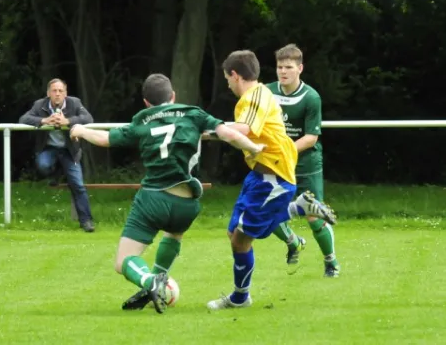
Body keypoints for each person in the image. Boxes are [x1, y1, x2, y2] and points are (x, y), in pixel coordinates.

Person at [69, 73, 268, 314]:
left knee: (123, 261)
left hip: (154, 198)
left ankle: (150, 281)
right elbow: (228, 133)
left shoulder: (142, 120)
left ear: (146, 102)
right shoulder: (193, 113)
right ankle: (158, 280)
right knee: (173, 234)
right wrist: (253, 147)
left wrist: (80, 129)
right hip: (188, 204)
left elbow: (105, 139)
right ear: (173, 96)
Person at [206, 50, 337, 311]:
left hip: (272, 176)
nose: (228, 84)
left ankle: (241, 298)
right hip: (259, 175)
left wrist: (208, 128)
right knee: (235, 234)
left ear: (235, 75)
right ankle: (298, 208)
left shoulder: (252, 97)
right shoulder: (263, 92)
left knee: (244, 238)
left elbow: (244, 130)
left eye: (227, 79)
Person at [266, 44, 340, 277]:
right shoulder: (266, 92)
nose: (283, 71)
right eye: (279, 67)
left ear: (300, 68)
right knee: (267, 212)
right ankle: (292, 242)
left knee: (314, 216)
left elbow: (310, 137)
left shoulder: (311, 97)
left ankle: (331, 261)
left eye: (288, 67)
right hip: (276, 163)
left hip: (305, 163)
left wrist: (284, 151)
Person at [19, 78, 95, 233]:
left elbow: (88, 118)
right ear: (48, 93)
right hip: (49, 149)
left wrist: (68, 121)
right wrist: (44, 120)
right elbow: (24, 119)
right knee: (43, 165)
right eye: (54, 91)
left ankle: (86, 221)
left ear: (65, 93)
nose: (58, 94)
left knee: (78, 185)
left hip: (70, 151)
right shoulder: (39, 105)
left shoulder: (74, 103)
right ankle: (57, 172)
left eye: (61, 91)